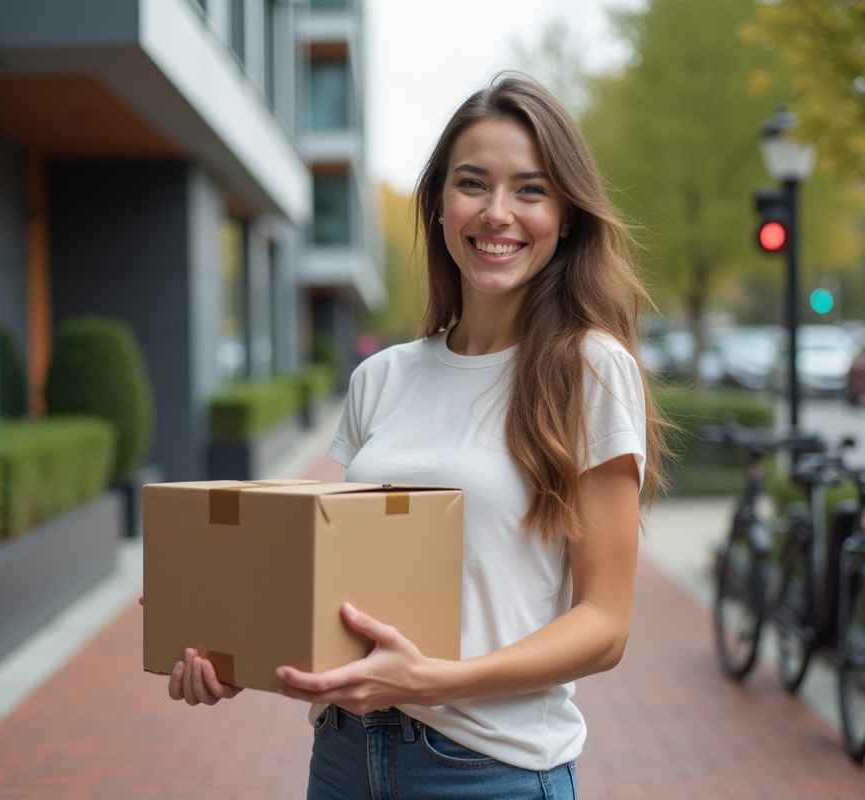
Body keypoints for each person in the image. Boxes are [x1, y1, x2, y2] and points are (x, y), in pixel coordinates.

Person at [167, 72, 668, 799]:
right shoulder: (383, 378)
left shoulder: (588, 369)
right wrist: (237, 652)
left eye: (530, 189)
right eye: (473, 184)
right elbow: (344, 591)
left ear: (565, 216)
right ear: (437, 204)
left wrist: (440, 681)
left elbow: (605, 625)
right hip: (342, 759)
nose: (498, 213)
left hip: (488, 770)